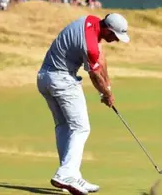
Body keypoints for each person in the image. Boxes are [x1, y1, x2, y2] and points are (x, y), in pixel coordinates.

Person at [37, 13, 130, 195]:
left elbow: (101, 59)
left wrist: (108, 87)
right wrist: (106, 94)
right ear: (108, 29)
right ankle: (65, 174)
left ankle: (72, 175)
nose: (116, 41)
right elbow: (94, 75)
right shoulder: (89, 44)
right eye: (115, 36)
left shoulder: (92, 22)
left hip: (44, 78)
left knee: (64, 126)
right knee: (81, 128)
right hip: (62, 80)